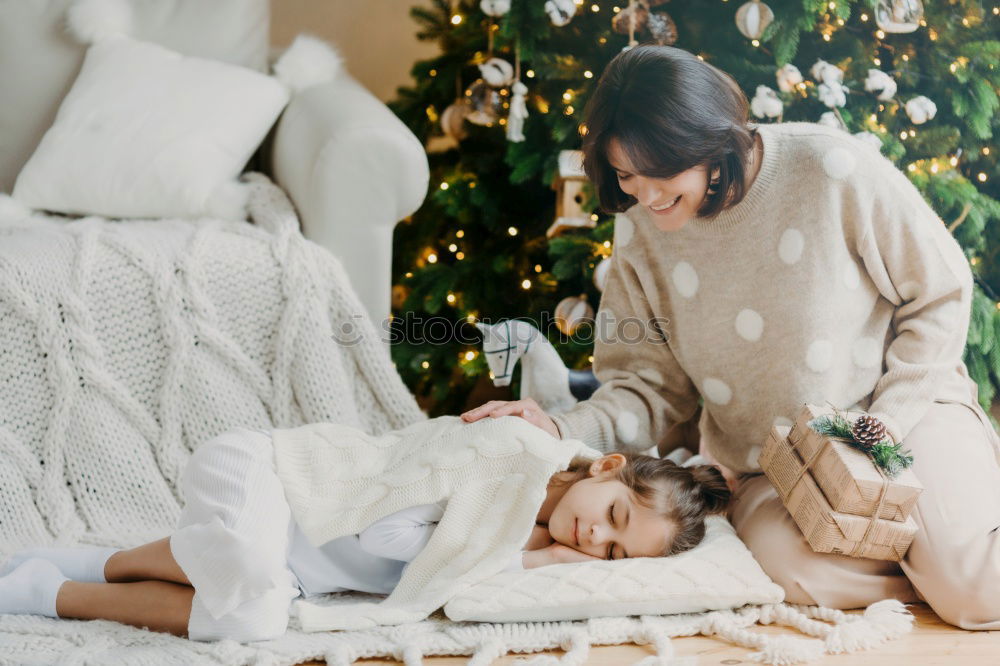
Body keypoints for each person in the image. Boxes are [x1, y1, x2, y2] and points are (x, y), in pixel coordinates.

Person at [461, 44, 1000, 630]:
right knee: (788, 574)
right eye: (626, 175)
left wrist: (884, 426)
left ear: (708, 140)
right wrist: (560, 427)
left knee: (976, 594)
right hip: (777, 464)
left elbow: (941, 292)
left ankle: (946, 557)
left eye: (659, 171)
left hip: (906, 415)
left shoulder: (831, 169)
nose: (645, 196)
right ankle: (933, 557)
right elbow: (646, 388)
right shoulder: (642, 226)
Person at [0, 423, 729, 641]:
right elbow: (381, 540)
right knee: (249, 572)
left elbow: (442, 592)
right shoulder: (510, 458)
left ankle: (57, 583)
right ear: (604, 467)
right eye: (612, 517)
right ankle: (87, 570)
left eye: (610, 548)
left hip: (295, 560)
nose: (593, 537)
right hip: (275, 475)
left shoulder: (527, 553)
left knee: (252, 612)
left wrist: (529, 561)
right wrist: (515, 550)